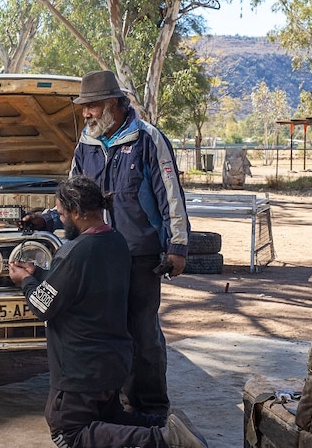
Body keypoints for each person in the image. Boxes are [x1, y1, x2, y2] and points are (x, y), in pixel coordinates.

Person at [26, 69, 191, 416]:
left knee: (142, 332)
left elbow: (171, 196)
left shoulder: (147, 139)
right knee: (105, 332)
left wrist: (177, 246)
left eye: (92, 106)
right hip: (97, 256)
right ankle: (113, 403)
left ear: (114, 104)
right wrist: (47, 218)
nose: (85, 113)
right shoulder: (85, 145)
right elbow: (73, 195)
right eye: (84, 108)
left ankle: (151, 407)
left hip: (137, 256)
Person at [9, 175, 206, 448]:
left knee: (69, 433)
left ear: (77, 212)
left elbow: (43, 306)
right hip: (112, 362)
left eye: (62, 213)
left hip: (80, 369)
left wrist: (26, 281)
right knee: (109, 418)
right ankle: (163, 426)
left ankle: (165, 438)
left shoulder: (75, 252)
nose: (61, 220)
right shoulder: (116, 241)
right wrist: (41, 273)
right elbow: (76, 285)